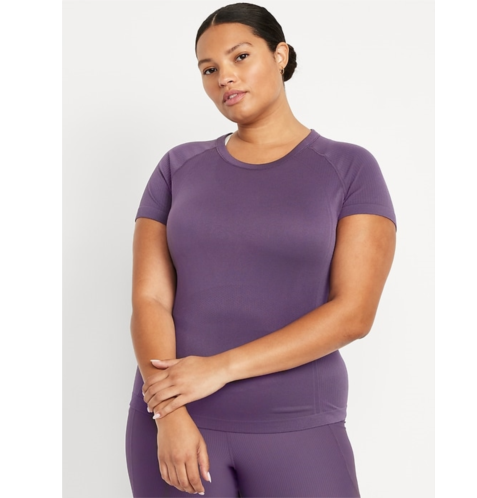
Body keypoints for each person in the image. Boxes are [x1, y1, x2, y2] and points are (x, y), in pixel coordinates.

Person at [125, 3, 396, 497]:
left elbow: (354, 314)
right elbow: (150, 299)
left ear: (280, 54)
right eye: (209, 69)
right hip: (178, 425)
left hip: (299, 424)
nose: (225, 77)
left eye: (240, 57)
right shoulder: (178, 167)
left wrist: (219, 368)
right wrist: (169, 412)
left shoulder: (349, 168)